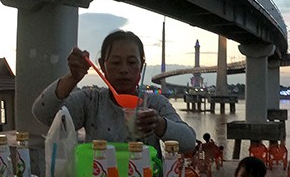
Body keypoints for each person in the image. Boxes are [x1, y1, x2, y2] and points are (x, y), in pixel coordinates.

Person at [32, 30, 196, 156]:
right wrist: (72, 78)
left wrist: (159, 124)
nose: (124, 70)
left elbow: (188, 142)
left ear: (141, 66)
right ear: (102, 66)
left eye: (132, 62)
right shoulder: (91, 101)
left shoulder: (155, 103)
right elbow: (43, 114)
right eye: (116, 62)